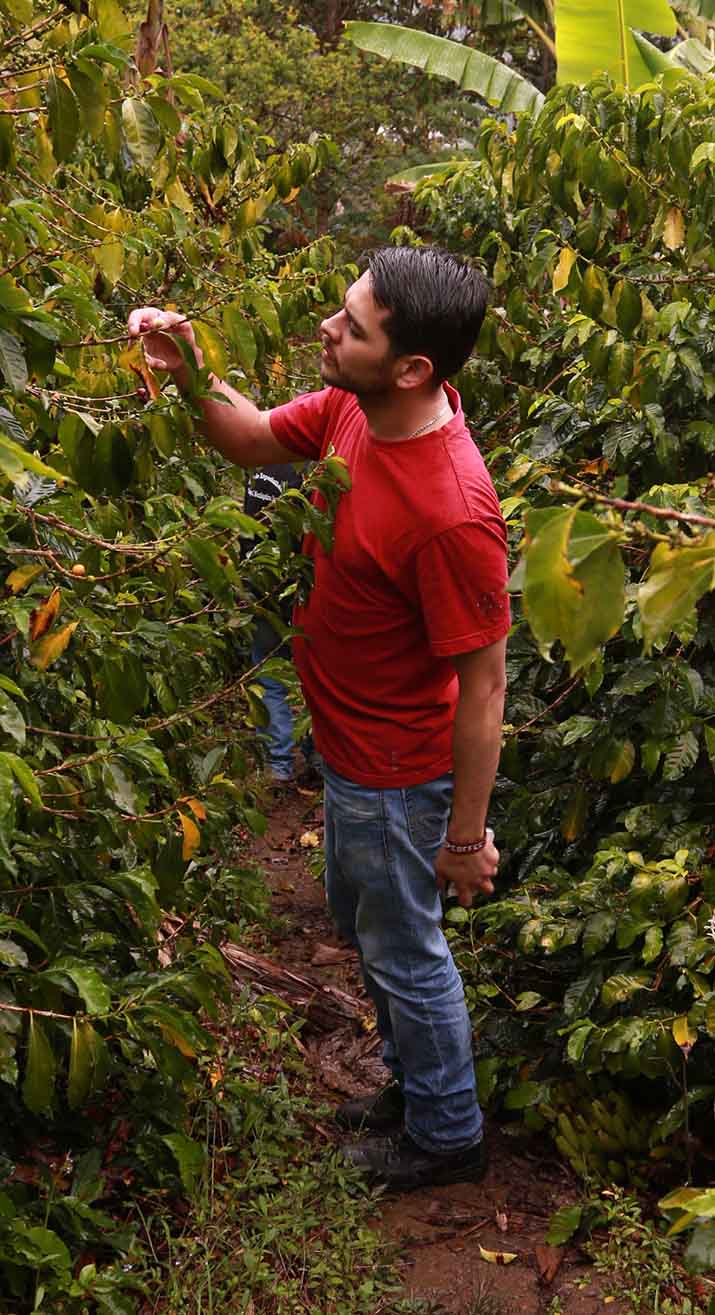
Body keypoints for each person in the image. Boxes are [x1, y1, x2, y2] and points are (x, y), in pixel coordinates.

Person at [128, 246, 510, 1190]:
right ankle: (413, 1080)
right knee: (364, 924)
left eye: (353, 326)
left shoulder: (451, 509)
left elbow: (486, 682)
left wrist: (463, 836)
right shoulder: (355, 405)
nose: (328, 331)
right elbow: (254, 436)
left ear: (413, 367)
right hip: (348, 756)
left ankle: (446, 1133)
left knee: (404, 949)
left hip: (396, 772)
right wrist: (187, 369)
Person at [244, 463, 302, 784]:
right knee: (310, 676)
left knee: (269, 678)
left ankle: (278, 764)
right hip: (295, 587)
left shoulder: (258, 469)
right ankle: (313, 754)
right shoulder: (306, 474)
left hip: (263, 587)